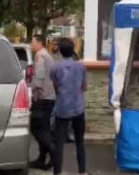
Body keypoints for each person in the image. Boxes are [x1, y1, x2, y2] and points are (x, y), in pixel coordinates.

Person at [50, 38, 87, 175]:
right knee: (80, 141)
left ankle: (57, 172)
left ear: (60, 51)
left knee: (59, 143)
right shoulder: (81, 67)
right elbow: (84, 87)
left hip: (62, 108)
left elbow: (55, 87)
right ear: (73, 50)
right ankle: (82, 171)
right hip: (78, 108)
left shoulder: (55, 68)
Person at [29, 34, 56, 170]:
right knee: (43, 128)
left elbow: (38, 78)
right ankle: (42, 158)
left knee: (37, 128)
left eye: (33, 42)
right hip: (49, 96)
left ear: (39, 43)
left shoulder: (40, 55)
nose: (31, 45)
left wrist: (34, 94)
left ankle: (54, 154)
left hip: (42, 97)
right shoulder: (47, 55)